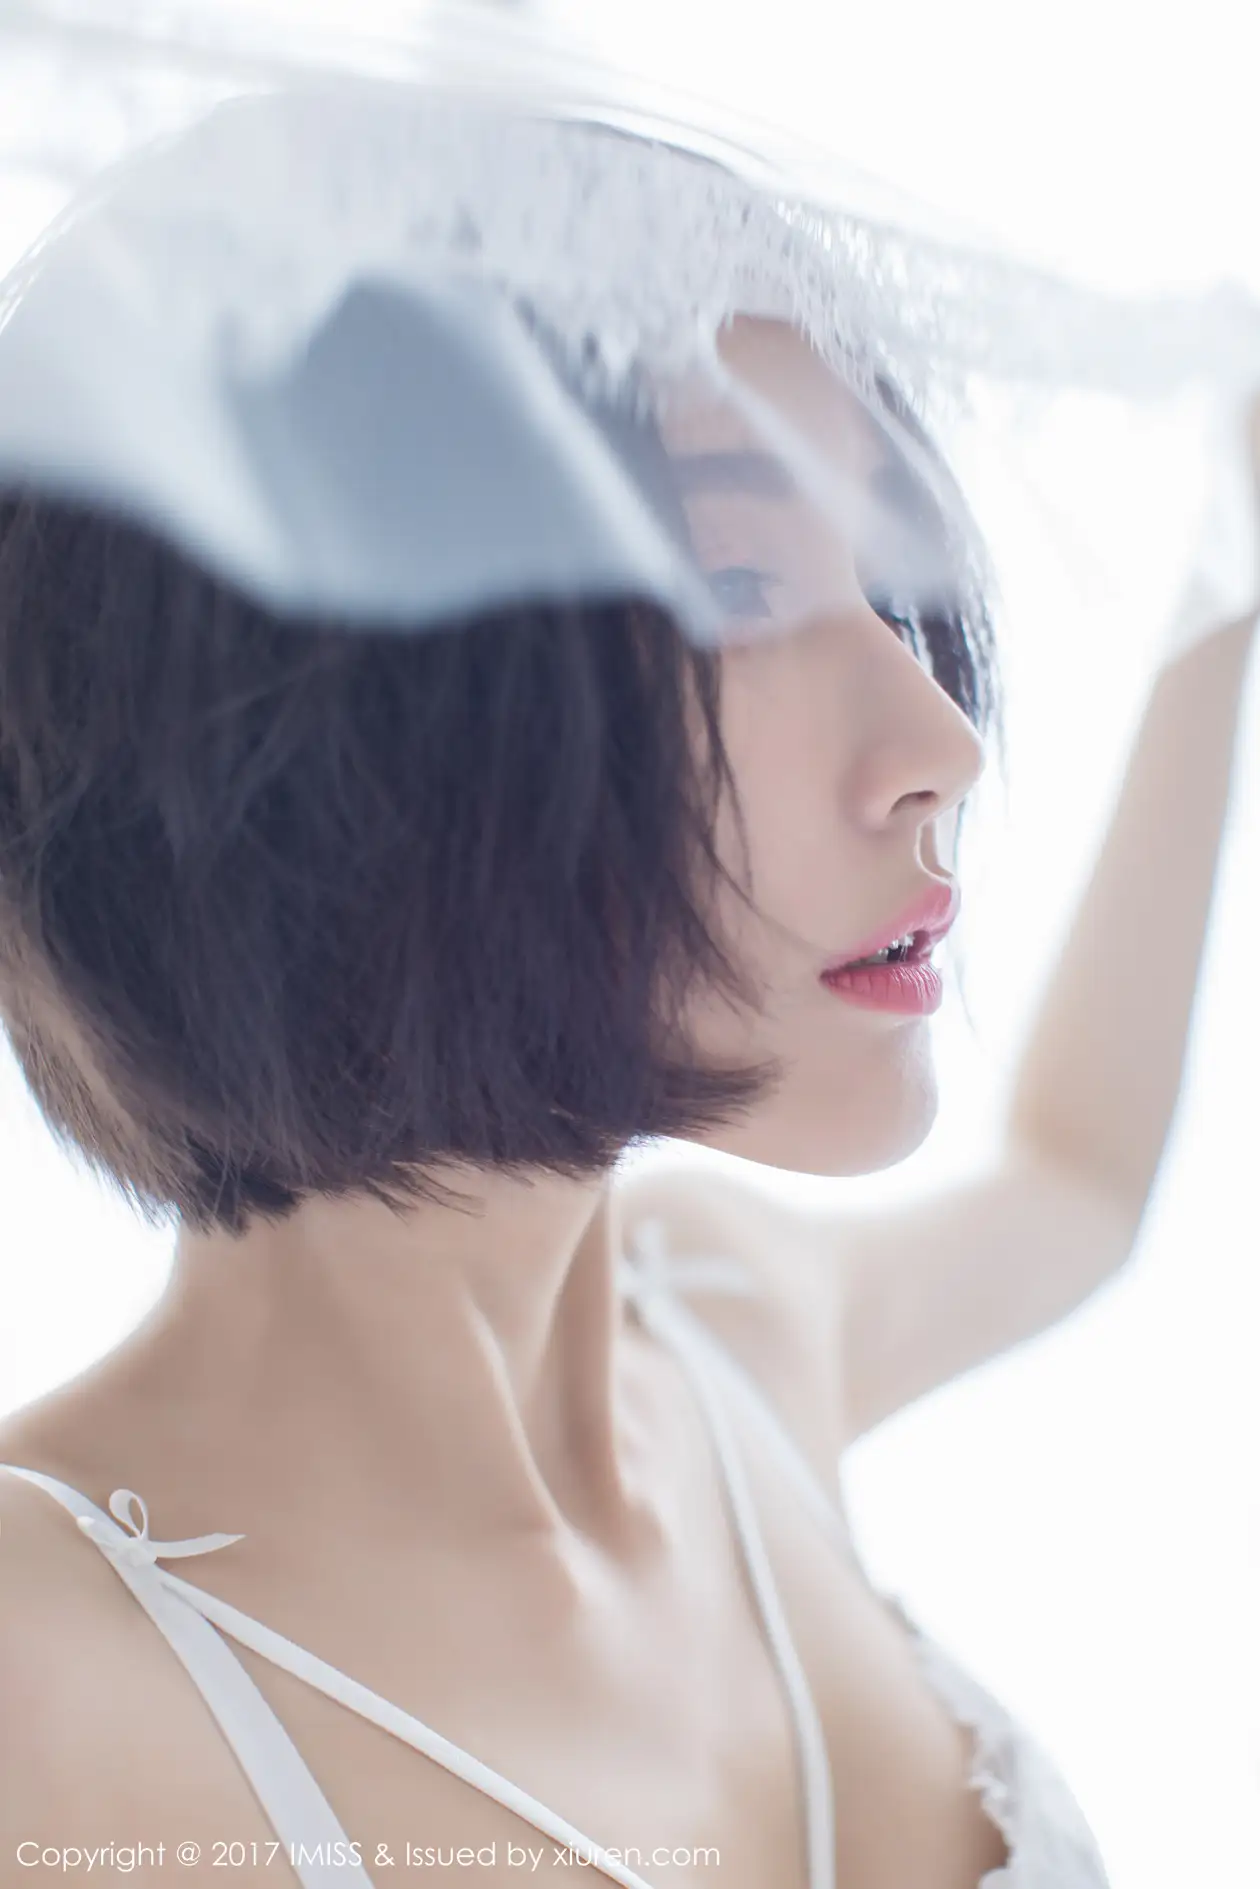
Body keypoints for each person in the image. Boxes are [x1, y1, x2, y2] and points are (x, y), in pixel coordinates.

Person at [0, 75, 1256, 1889]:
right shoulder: (43, 1690)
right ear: (364, 728)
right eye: (736, 589)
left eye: (883, 584)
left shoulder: (729, 1332)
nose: (941, 744)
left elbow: (1075, 1177)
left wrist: (1231, 570)